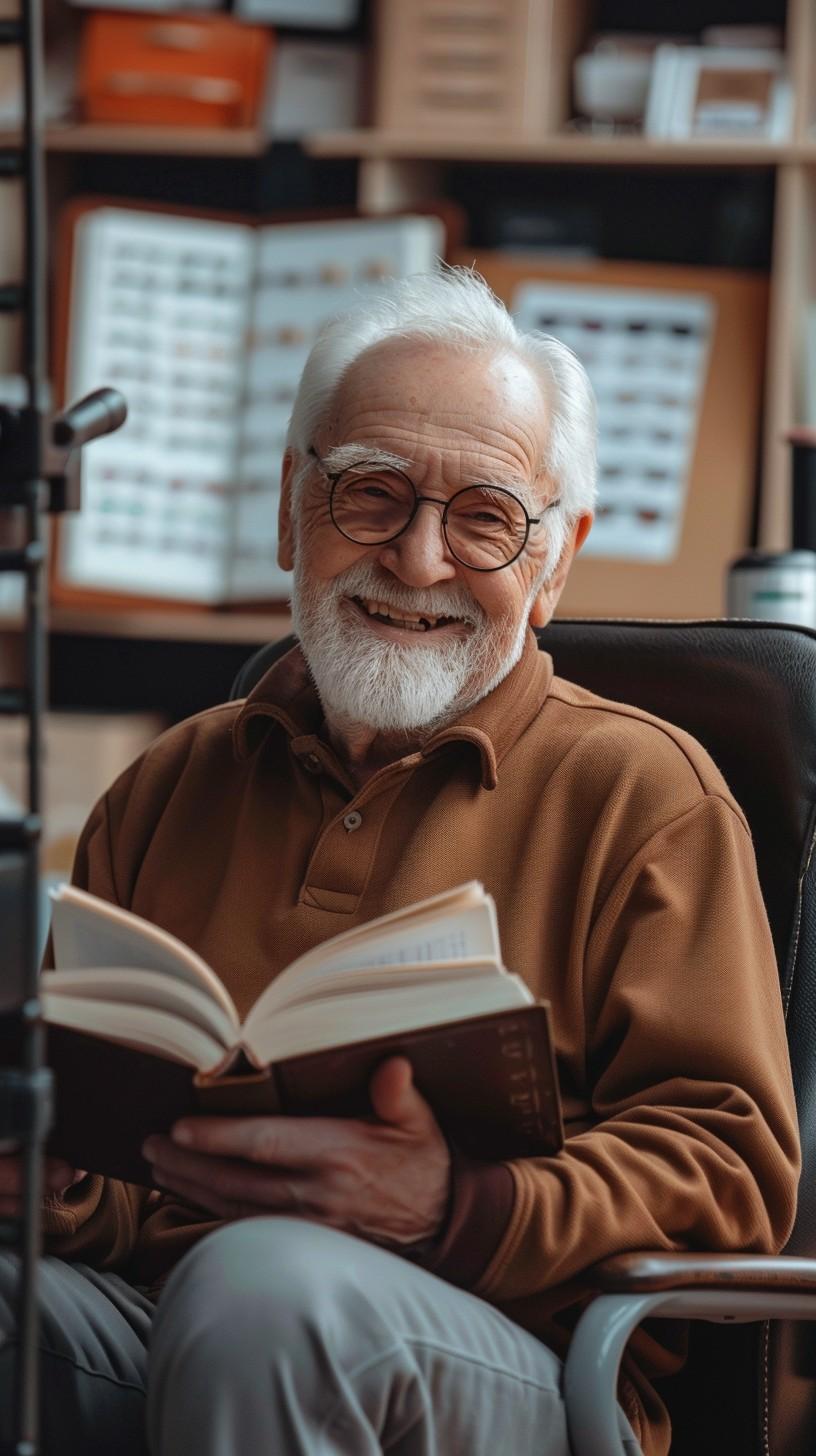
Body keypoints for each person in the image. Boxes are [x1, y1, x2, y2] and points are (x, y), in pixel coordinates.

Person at [0, 268, 800, 1456]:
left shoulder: (647, 795)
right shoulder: (172, 783)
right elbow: (122, 1168)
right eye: (369, 493)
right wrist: (50, 1178)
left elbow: (729, 1166)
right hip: (175, 1322)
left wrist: (457, 1208)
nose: (419, 559)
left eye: (484, 516)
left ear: (556, 562)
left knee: (265, 1290)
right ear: (291, 509)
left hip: (514, 1357)